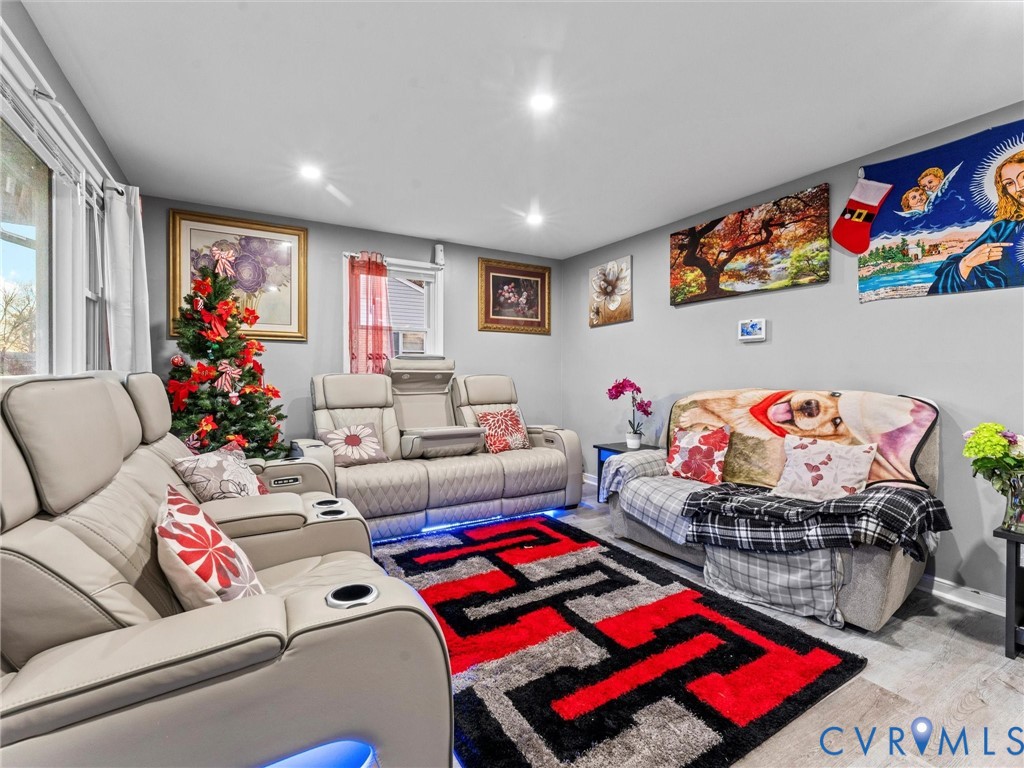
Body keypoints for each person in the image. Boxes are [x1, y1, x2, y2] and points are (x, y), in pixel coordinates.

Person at [928, 150, 1024, 294]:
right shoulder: (1003, 228)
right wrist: (966, 265)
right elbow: (939, 288)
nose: (1018, 188)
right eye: (1009, 183)